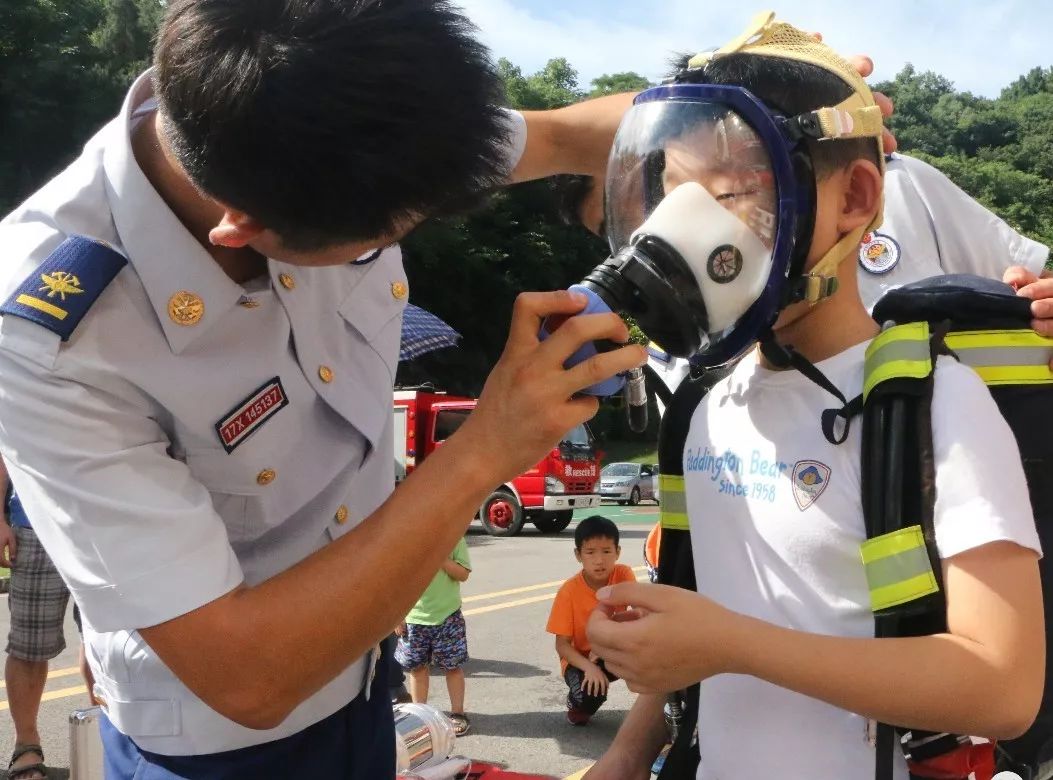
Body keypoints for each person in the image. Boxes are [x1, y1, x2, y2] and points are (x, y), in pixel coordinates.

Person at [0, 1, 647, 777]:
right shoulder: (50, 338)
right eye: (386, 237)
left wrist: (744, 126)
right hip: (222, 749)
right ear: (243, 229)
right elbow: (245, 676)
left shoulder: (346, 116)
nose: (409, 234)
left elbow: (572, 133)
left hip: (365, 678)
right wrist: (484, 448)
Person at [584, 17, 1043, 779]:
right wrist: (630, 752)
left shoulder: (933, 404)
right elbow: (705, 616)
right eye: (670, 201)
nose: (687, 234)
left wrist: (730, 644)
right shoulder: (702, 404)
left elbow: (1002, 688)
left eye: (730, 194)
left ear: (854, 198)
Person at [0, 461, 94, 780]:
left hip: (106, 526)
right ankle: (26, 746)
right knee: (29, 647)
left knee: (105, 641)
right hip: (35, 524)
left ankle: (105, 735)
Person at [546, 515, 637, 726]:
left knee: (655, 655)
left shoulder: (623, 574)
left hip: (612, 650)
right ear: (578, 555)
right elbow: (562, 645)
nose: (599, 560)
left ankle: (661, 710)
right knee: (589, 697)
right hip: (579, 660)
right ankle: (576, 702)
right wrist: (589, 667)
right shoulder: (568, 592)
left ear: (618, 552)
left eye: (606, 551)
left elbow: (639, 612)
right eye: (590, 552)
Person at [395, 535, 472, 735]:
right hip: (414, 618)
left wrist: (441, 559)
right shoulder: (408, 541)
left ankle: (458, 713)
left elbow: (463, 574)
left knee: (452, 667)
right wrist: (398, 616)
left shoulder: (454, 537)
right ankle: (420, 716)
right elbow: (398, 580)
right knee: (417, 668)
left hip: (448, 616)